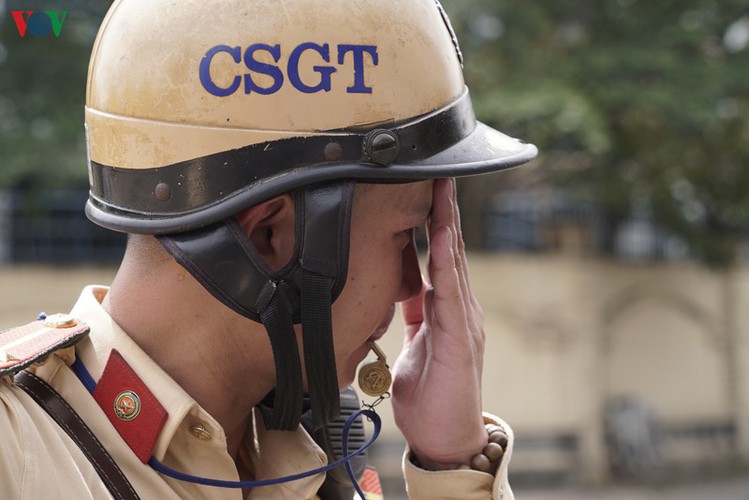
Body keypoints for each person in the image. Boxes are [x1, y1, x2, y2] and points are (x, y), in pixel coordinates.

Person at [0, 0, 537, 498]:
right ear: (270, 238)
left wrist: (450, 462)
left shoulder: (312, 454)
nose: (410, 286)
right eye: (404, 237)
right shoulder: (15, 452)